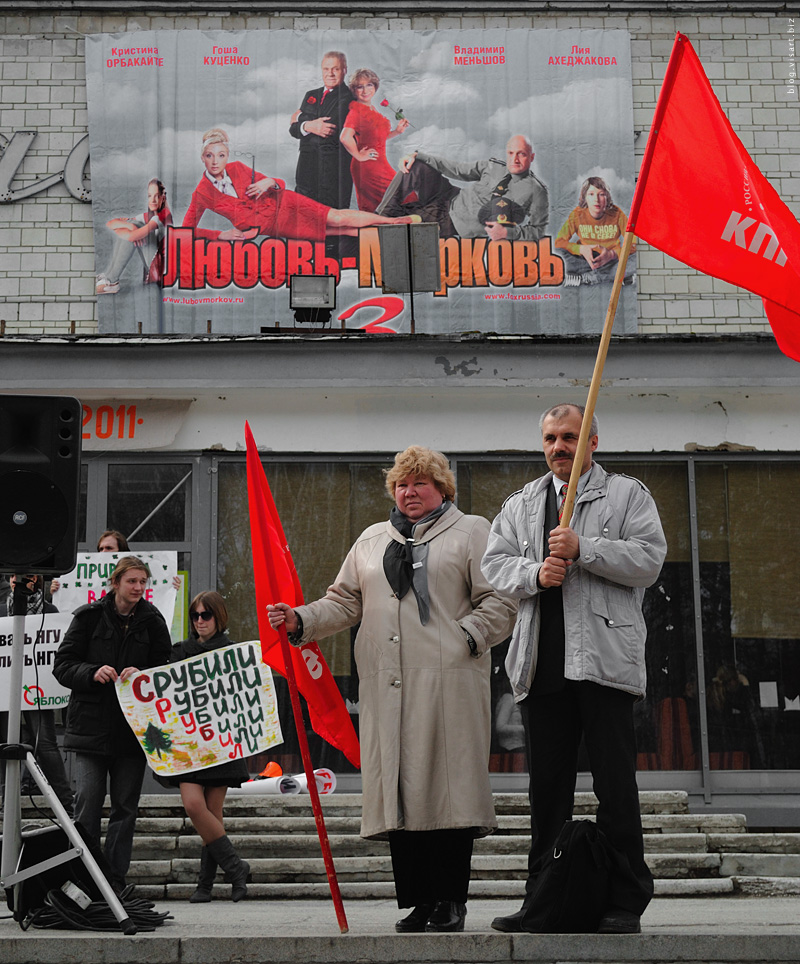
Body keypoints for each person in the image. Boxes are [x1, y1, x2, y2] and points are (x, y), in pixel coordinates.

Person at [267, 446, 516, 934]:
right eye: (402, 484)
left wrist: (465, 637)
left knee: (447, 792)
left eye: (420, 483)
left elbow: (501, 600)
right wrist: (301, 620)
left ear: (442, 489)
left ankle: (449, 900)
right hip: (388, 686)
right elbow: (343, 600)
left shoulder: (471, 531)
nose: (409, 491)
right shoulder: (371, 540)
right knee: (402, 794)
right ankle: (419, 901)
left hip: (449, 684)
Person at [481, 403, 667, 935]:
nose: (559, 447)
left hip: (605, 663)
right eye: (550, 438)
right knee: (547, 790)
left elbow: (649, 561)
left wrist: (585, 547)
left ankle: (624, 900)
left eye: (570, 437)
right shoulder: (521, 504)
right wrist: (536, 572)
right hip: (541, 665)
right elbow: (494, 566)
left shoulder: (628, 495)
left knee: (615, 785)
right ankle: (543, 898)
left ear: (592, 443)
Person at [53, 556, 172, 895]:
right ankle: (86, 876)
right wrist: (91, 672)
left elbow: (167, 666)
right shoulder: (88, 618)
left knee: (125, 807)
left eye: (142, 583)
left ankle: (115, 880)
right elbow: (62, 666)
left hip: (134, 732)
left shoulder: (152, 620)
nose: (138, 588)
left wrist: (144, 675)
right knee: (87, 804)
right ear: (115, 583)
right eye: (132, 581)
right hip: (90, 729)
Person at [157, 591, 250, 901]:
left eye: (205, 615)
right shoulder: (180, 651)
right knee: (195, 806)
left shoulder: (233, 652)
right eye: (195, 615)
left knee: (212, 811)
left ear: (218, 617)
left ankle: (205, 885)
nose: (199, 621)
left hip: (221, 743)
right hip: (188, 744)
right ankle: (236, 868)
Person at [182, 128, 419, 245]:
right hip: (276, 225)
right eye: (210, 156)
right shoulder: (202, 194)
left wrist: (269, 181)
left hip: (287, 203)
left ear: (227, 156)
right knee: (338, 231)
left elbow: (281, 185)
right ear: (202, 158)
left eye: (220, 155)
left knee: (336, 218)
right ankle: (390, 235)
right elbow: (185, 232)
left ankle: (393, 222)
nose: (215, 161)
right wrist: (220, 235)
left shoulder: (238, 168)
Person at [380, 136, 548, 241]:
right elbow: (458, 170)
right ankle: (378, 218)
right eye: (511, 153)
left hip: (454, 221)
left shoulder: (537, 191)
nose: (515, 159)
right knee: (417, 165)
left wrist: (506, 233)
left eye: (522, 154)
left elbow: (537, 230)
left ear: (532, 157)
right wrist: (418, 155)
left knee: (405, 223)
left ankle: (380, 226)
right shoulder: (494, 167)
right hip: (448, 195)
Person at [0, 573, 74, 813]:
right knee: (3, 742)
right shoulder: (2, 611)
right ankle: (2, 800)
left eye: (25, 576)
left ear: (37, 580)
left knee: (45, 743)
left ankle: (65, 802)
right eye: (12, 576)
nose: (16, 580)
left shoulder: (51, 613)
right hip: (4, 687)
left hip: (38, 687)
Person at [289, 50, 354, 210]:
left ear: (344, 70)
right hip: (305, 170)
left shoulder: (349, 97)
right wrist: (308, 125)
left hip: (333, 173)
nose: (330, 73)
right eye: (326, 69)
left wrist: (302, 120)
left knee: (331, 225)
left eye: (335, 69)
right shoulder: (311, 94)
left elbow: (329, 128)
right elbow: (293, 130)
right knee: (303, 220)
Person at [339, 68, 409, 213]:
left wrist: (397, 131)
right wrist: (359, 155)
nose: (365, 90)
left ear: (375, 87)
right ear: (354, 90)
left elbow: (376, 139)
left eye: (369, 85)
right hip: (368, 167)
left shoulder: (371, 109)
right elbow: (344, 137)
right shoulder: (355, 112)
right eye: (360, 86)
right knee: (394, 200)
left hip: (380, 163)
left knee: (396, 200)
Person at [554, 176, 636, 286]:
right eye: (591, 194)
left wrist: (612, 254)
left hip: (612, 261)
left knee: (636, 258)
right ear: (585, 198)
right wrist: (580, 249)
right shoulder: (578, 214)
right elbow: (559, 242)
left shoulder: (616, 213)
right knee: (556, 253)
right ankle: (616, 277)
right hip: (585, 261)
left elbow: (634, 243)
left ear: (607, 198)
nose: (596, 199)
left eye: (601, 194)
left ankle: (586, 278)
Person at [96, 178, 172, 294]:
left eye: (157, 196)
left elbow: (131, 237)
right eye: (150, 196)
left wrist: (132, 231)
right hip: (154, 263)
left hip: (164, 269)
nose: (153, 200)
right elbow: (111, 223)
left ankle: (112, 281)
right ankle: (109, 276)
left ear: (163, 197)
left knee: (135, 226)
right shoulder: (148, 215)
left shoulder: (164, 215)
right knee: (133, 225)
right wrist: (131, 228)